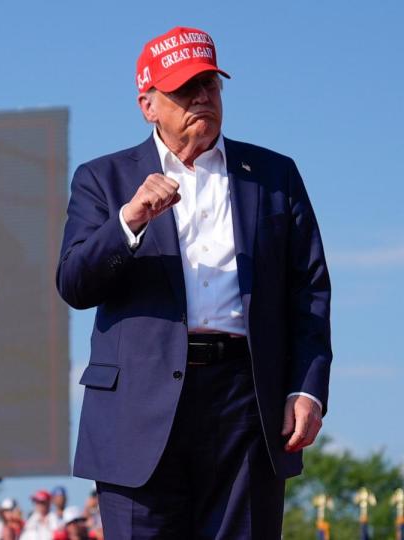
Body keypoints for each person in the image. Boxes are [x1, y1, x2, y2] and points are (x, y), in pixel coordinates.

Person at [55, 25, 331, 538]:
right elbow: (73, 283)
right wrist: (129, 221)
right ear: (148, 104)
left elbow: (309, 292)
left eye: (210, 84)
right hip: (136, 409)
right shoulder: (104, 179)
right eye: (185, 88)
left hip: (246, 406)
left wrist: (307, 390)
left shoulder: (274, 175)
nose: (202, 96)